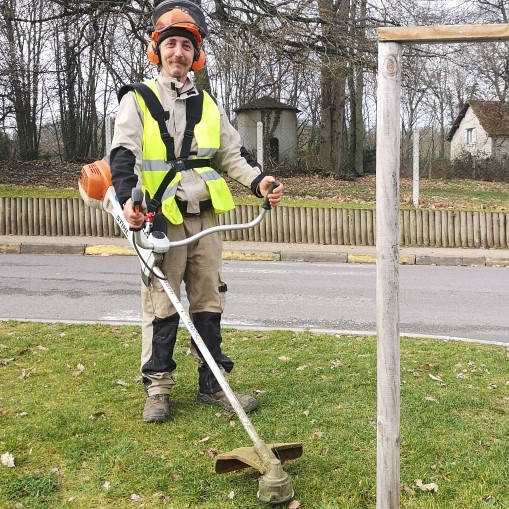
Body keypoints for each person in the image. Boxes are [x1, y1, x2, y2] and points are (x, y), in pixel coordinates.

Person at [109, 0, 283, 423]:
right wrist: (131, 200)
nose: (178, 54)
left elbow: (233, 154)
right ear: (157, 51)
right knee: (162, 304)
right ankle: (158, 389)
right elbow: (122, 155)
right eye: (170, 45)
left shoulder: (208, 104)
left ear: (196, 55)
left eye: (186, 46)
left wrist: (260, 181)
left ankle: (213, 385)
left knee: (208, 300)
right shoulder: (137, 100)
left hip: (204, 219)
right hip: (160, 219)